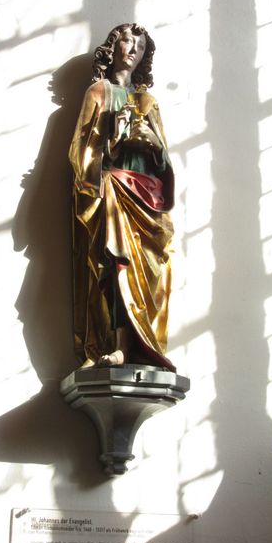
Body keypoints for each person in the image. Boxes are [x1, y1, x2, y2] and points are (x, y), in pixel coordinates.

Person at [68, 24, 175, 370]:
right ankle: (119, 345)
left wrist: (151, 143)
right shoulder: (98, 92)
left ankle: (146, 344)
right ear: (113, 46)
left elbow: (163, 161)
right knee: (116, 264)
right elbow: (81, 151)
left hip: (147, 196)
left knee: (149, 270)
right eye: (127, 41)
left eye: (140, 46)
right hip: (114, 190)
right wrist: (113, 140)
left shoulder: (148, 102)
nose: (133, 49)